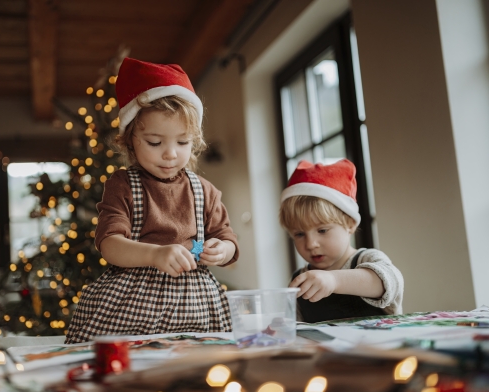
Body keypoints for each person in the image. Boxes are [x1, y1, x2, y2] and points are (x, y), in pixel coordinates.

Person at [66, 58, 238, 342]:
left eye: (182, 142)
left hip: (196, 304)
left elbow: (227, 237)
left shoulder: (203, 190)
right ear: (130, 139)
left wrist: (223, 250)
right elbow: (109, 245)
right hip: (131, 302)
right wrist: (155, 254)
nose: (170, 154)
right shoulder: (122, 186)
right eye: (155, 143)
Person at [280, 159, 403, 323]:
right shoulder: (300, 280)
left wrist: (333, 280)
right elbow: (297, 328)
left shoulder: (367, 259)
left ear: (350, 224)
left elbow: (390, 282)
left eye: (322, 230)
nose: (310, 244)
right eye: (300, 234)